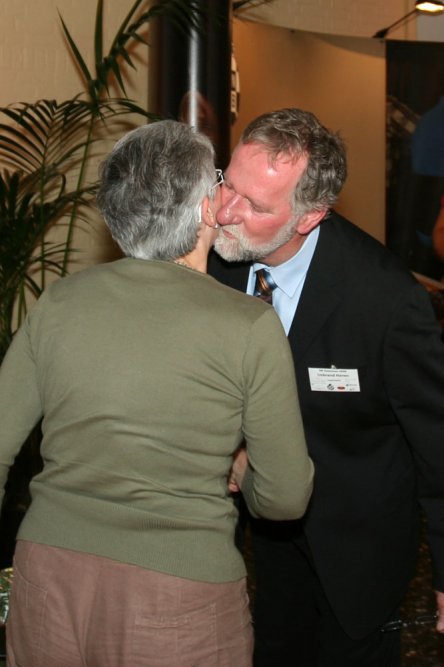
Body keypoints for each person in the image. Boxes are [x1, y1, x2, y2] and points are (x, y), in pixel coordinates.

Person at [0, 120, 314, 667]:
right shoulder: (248, 325)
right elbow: (285, 498)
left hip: (46, 576)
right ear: (205, 209)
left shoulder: (60, 302)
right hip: (178, 594)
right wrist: (244, 473)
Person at [209, 107, 444, 667]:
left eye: (256, 206)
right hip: (257, 540)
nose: (224, 211)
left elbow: (438, 445)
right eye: (227, 184)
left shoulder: (385, 301)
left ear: (310, 216)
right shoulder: (214, 263)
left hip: (353, 543)